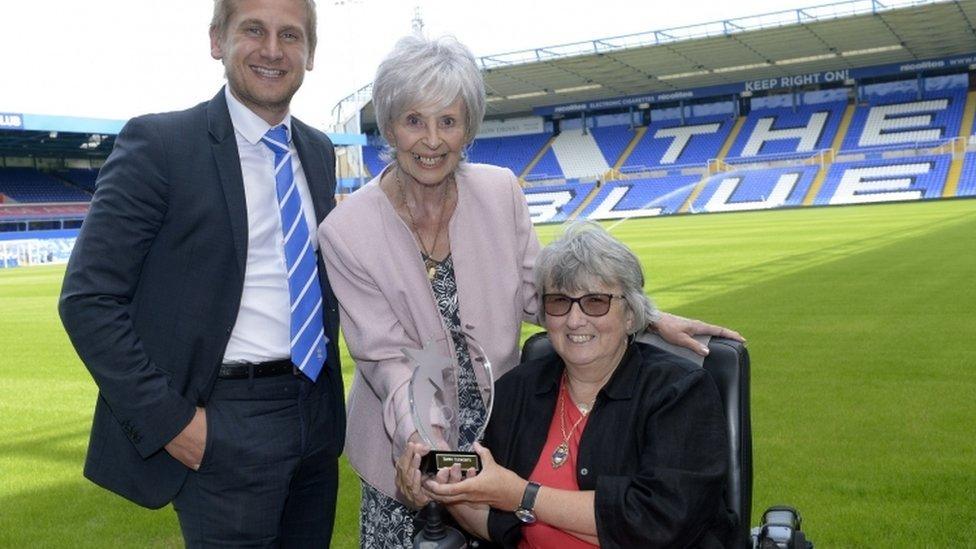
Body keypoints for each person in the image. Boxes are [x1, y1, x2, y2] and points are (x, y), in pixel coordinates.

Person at [319, 35, 741, 547]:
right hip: (407, 436)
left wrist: (644, 317)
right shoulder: (346, 231)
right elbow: (389, 361)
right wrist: (421, 444)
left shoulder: (500, 192)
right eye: (414, 121)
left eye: (448, 121)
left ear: (467, 128)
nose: (432, 140)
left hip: (508, 436)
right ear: (389, 126)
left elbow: (547, 295)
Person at [58, 0, 344, 545]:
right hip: (224, 420)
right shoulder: (160, 145)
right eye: (253, 30)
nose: (272, 49)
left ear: (309, 54)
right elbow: (88, 300)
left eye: (290, 35)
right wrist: (175, 425)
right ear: (217, 40)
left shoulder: (318, 149)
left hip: (315, 416)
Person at [398, 222, 732, 548]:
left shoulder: (679, 391)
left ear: (630, 314)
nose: (574, 320)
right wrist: (445, 490)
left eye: (595, 301)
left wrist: (523, 496)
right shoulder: (518, 389)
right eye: (559, 302)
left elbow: (660, 523)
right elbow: (497, 523)